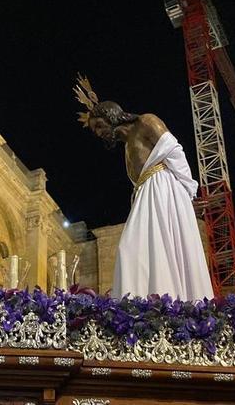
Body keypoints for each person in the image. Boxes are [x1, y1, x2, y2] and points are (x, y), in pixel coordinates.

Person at [75, 76, 214, 301]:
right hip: (145, 195)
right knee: (136, 251)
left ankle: (165, 300)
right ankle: (148, 302)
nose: (98, 133)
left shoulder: (146, 122)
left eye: (99, 126)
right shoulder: (126, 148)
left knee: (140, 247)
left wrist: (188, 192)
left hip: (163, 189)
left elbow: (175, 152)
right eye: (94, 131)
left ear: (111, 116)